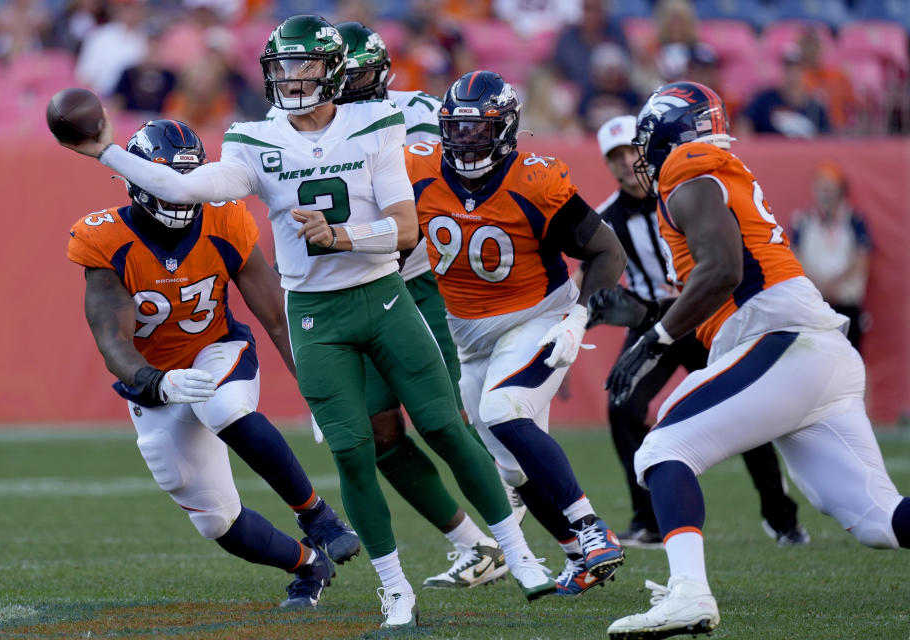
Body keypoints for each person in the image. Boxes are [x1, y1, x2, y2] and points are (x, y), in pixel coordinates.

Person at [60, 15, 556, 629]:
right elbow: (181, 188)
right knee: (351, 454)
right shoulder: (252, 140)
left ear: (335, 71)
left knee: (445, 427)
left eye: (306, 66)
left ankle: (520, 554)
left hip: (383, 296)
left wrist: (344, 235)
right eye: (283, 67)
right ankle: (391, 586)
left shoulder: (375, 124)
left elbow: (406, 228)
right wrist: (104, 148)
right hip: (315, 315)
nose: (293, 79)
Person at [598, 81, 909, 639]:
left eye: (647, 142)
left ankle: (689, 593)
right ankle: (687, 589)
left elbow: (723, 272)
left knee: (663, 448)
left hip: (782, 338)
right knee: (881, 522)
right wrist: (651, 314)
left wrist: (656, 338)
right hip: (812, 349)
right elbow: (718, 277)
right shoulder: (714, 169)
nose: (644, 158)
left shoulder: (687, 169)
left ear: (668, 135)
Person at [65, 119, 361, 611]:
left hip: (217, 349)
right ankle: (307, 565)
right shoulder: (105, 238)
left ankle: (319, 516)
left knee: (223, 408)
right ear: (137, 179)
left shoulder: (224, 219)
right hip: (154, 383)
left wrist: (318, 389)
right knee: (215, 520)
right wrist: (154, 382)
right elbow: (111, 340)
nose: (179, 195)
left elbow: (277, 318)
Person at [405, 70, 628, 597]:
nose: (465, 140)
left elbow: (607, 251)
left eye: (478, 130)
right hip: (469, 336)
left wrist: (579, 317)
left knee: (504, 411)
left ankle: (593, 528)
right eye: (456, 128)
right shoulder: (415, 169)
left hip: (536, 317)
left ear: (504, 130)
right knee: (511, 469)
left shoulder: (535, 179)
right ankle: (579, 557)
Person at [332, 20, 519, 590]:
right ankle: (475, 545)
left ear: (381, 72)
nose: (343, 87)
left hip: (419, 283)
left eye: (354, 75)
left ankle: (541, 534)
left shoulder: (420, 111)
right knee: (376, 433)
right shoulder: (299, 129)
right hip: (351, 287)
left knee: (450, 419)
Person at [588, 114, 809, 548]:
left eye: (631, 150)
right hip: (656, 321)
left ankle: (782, 518)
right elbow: (588, 276)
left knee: (744, 413)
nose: (626, 161)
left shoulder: (684, 191)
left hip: (706, 313)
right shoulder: (606, 217)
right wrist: (577, 316)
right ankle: (649, 520)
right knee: (623, 405)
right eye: (615, 156)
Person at [790, 160, 872, 353]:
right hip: (814, 303)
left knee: (854, 358)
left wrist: (836, 284)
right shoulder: (802, 221)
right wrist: (817, 283)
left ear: (840, 190)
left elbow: (862, 258)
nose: (825, 194)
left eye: (830, 189)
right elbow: (794, 258)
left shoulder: (854, 220)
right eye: (821, 188)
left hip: (846, 301)